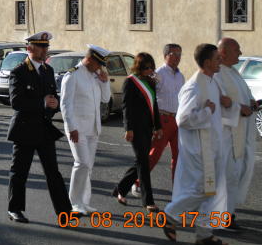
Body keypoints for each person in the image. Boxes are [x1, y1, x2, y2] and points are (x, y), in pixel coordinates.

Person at [162, 43, 231, 245]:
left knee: (212, 190)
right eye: (217, 58)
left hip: (212, 146)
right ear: (208, 62)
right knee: (203, 189)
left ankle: (204, 233)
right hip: (199, 149)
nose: (221, 61)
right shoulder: (193, 85)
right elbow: (182, 119)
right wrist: (207, 111)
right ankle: (171, 215)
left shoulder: (211, 81)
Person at [7, 31, 72, 224]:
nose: (46, 50)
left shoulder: (47, 70)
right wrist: (42, 102)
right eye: (42, 46)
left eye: (47, 47)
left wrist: (53, 104)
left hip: (43, 128)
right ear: (30, 48)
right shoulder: (19, 71)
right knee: (20, 171)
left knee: (54, 172)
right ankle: (15, 208)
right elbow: (16, 102)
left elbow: (52, 96)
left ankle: (64, 213)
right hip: (25, 128)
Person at [60, 44, 112, 214]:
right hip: (77, 129)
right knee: (81, 163)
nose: (100, 68)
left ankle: (84, 201)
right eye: (98, 64)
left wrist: (105, 82)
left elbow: (106, 99)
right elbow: (65, 105)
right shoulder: (73, 75)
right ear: (89, 60)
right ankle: (74, 202)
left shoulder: (96, 75)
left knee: (88, 166)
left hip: (93, 128)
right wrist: (71, 127)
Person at [213, 37, 256, 229]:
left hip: (239, 132)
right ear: (223, 52)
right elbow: (219, 103)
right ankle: (221, 217)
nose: (240, 52)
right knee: (225, 178)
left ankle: (228, 214)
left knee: (234, 175)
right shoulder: (217, 74)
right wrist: (240, 108)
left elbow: (243, 93)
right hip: (225, 136)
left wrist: (252, 102)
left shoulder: (232, 72)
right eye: (237, 49)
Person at [112, 53, 163, 212]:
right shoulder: (130, 82)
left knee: (141, 161)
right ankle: (148, 201)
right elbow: (127, 107)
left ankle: (120, 189)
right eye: (146, 67)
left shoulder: (150, 82)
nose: (149, 70)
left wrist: (158, 126)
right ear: (139, 67)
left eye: (151, 67)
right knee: (143, 162)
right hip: (135, 128)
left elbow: (154, 105)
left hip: (147, 128)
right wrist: (128, 128)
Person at [133, 43, 185, 197]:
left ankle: (177, 188)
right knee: (154, 154)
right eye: (173, 54)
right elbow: (148, 97)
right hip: (162, 119)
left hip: (177, 119)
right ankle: (136, 181)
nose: (177, 58)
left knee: (179, 155)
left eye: (179, 54)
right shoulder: (157, 74)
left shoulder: (181, 76)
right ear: (165, 56)